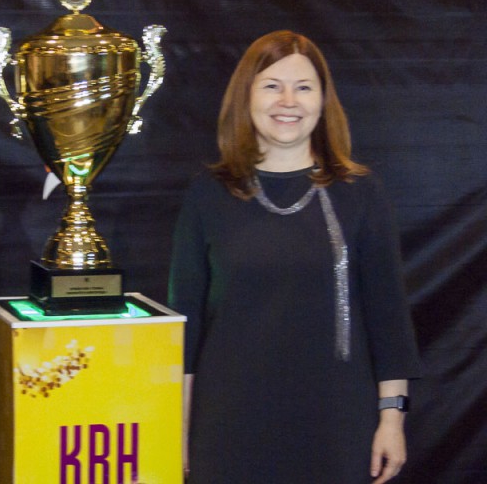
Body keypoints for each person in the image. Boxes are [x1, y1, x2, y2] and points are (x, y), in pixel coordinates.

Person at [168, 30, 421, 483]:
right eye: (272, 86)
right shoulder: (208, 194)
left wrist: (392, 418)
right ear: (246, 97)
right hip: (228, 424)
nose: (289, 101)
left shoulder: (360, 194)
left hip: (337, 425)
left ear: (323, 101)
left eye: (304, 87)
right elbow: (185, 323)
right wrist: (177, 426)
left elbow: (389, 317)